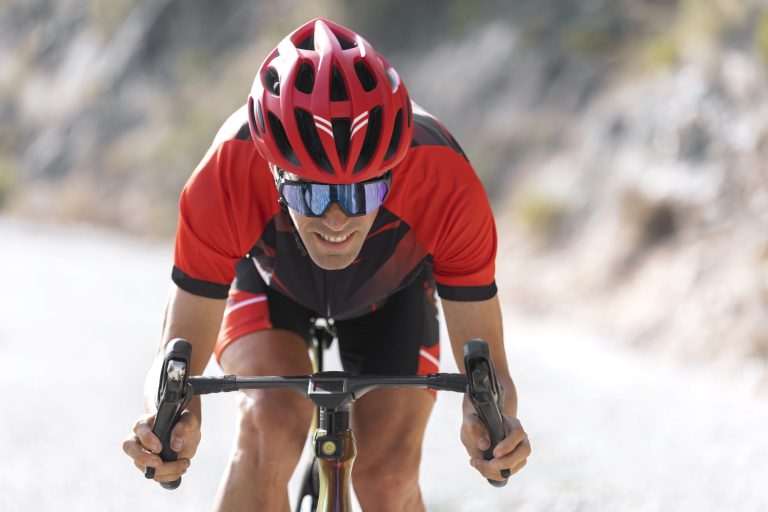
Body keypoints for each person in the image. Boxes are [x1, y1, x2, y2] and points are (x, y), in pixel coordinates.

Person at [122, 18, 530, 512]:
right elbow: (174, 359)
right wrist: (166, 422)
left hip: (393, 293)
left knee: (388, 475)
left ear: (394, 167)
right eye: (309, 192)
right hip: (272, 284)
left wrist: (495, 426)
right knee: (267, 427)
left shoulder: (444, 180)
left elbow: (490, 373)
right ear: (270, 167)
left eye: (364, 191)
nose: (337, 219)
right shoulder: (227, 170)